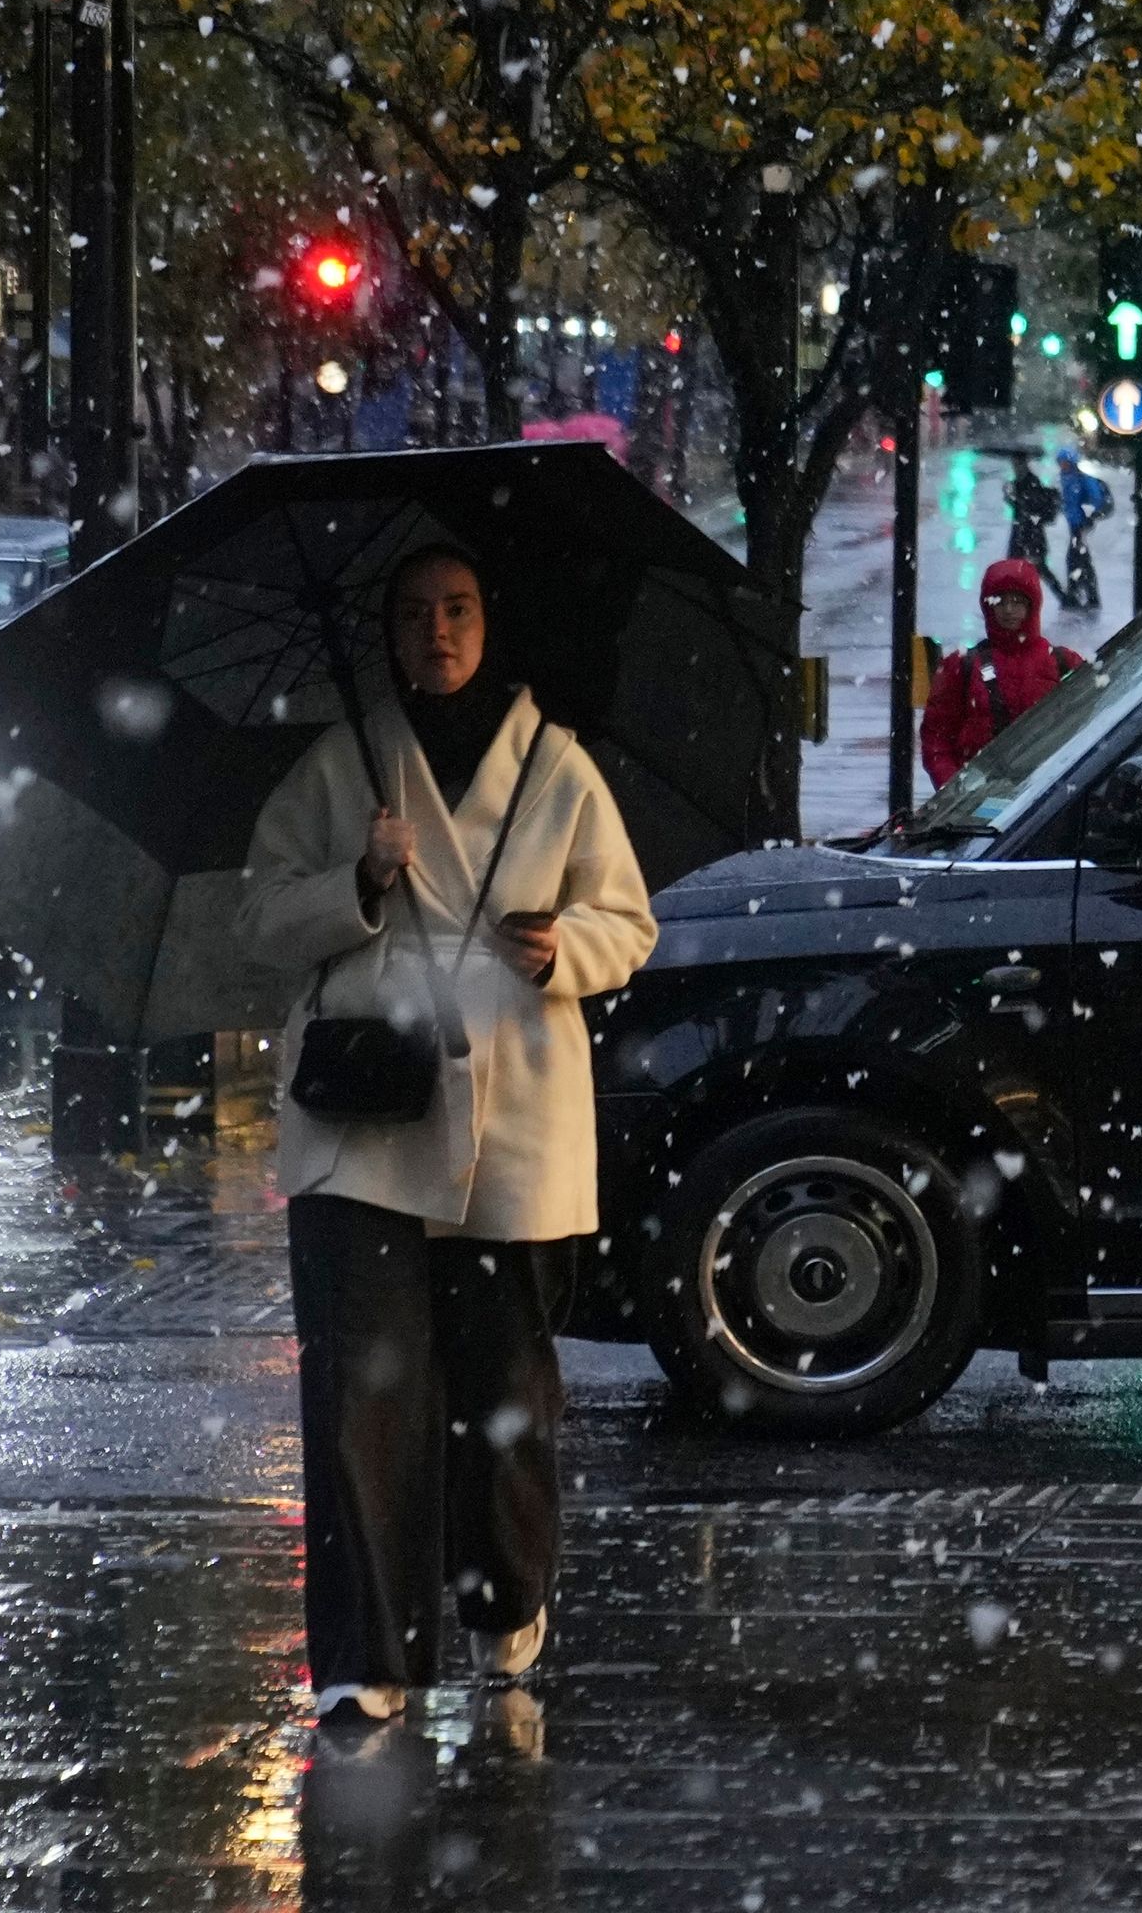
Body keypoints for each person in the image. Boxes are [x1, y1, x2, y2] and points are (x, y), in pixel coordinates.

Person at [236, 548, 659, 1734]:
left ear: (490, 624)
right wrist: (358, 883)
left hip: (513, 1123)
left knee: (505, 1394)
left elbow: (630, 921)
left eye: (460, 609)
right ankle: (364, 1653)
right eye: (416, 613)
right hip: (361, 1117)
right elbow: (260, 914)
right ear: (389, 632)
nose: (438, 632)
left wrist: (563, 947)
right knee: (361, 1394)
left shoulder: (556, 769)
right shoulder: (340, 768)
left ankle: (505, 1593)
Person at [917, 555, 1084, 785]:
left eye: (1017, 602)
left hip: (1047, 795)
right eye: (1000, 602)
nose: (1008, 610)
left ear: (1031, 605)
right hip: (979, 801)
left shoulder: (1064, 663)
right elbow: (937, 739)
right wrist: (955, 789)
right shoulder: (962, 667)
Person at [1053, 448, 1112, 611]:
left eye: (1064, 462)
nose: (1062, 466)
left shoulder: (1082, 480)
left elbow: (1094, 500)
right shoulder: (1066, 479)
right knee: (1082, 560)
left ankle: (1077, 595)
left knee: (1076, 559)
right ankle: (1088, 596)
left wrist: (1088, 518)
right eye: (1060, 462)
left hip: (1081, 526)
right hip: (1074, 525)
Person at [1002, 448, 1058, 567]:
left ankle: (1058, 587)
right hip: (1020, 532)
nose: (1015, 467)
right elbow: (1019, 507)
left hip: (1031, 534)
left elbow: (1031, 507)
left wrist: (1015, 498)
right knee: (1015, 568)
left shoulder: (1031, 481)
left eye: (1017, 464)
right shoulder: (1017, 483)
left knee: (1038, 569)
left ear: (1024, 464)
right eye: (1014, 464)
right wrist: (1009, 498)